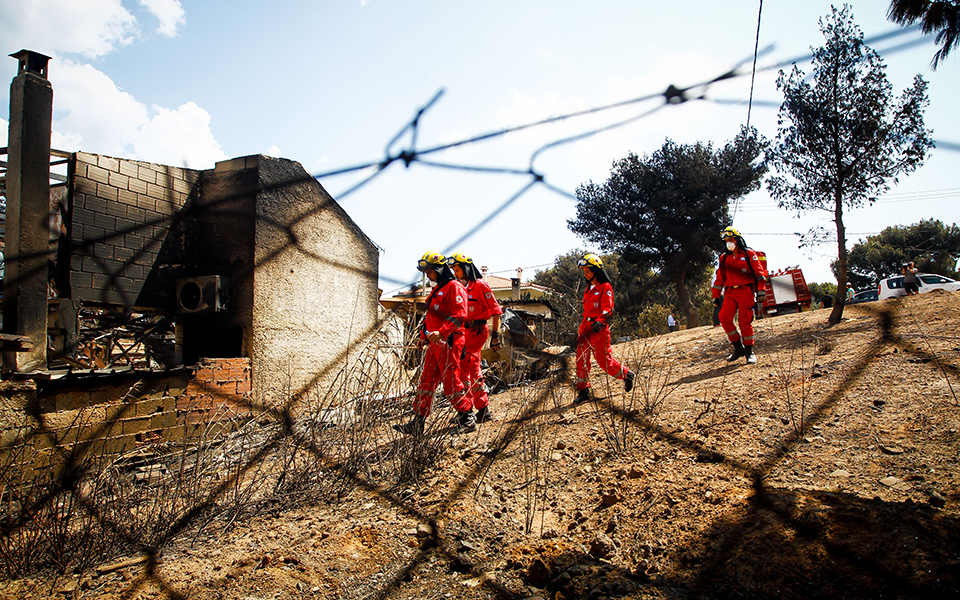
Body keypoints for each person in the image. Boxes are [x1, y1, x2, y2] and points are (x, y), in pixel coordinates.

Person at [393, 251, 475, 436]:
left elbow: (460, 315)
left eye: (429, 271)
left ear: (439, 270)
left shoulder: (454, 287)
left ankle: (467, 417)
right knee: (426, 381)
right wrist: (423, 336)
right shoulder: (437, 290)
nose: (427, 275)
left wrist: (443, 332)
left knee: (450, 381)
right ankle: (418, 422)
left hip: (449, 341)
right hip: (434, 343)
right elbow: (430, 317)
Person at [446, 252, 503, 423]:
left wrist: (495, 336)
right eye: (454, 270)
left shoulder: (480, 285)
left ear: (466, 268)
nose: (456, 273)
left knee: (464, 366)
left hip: (477, 331)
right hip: (463, 332)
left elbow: (496, 311)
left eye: (458, 270)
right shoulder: (458, 287)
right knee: (473, 369)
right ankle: (483, 410)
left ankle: (467, 411)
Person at [574, 253, 634, 404]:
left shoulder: (605, 287)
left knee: (603, 360)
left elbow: (608, 308)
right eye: (584, 272)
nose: (585, 274)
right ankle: (583, 390)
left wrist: (600, 322)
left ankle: (626, 374)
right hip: (585, 327)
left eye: (588, 271)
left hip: (598, 328)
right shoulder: (588, 289)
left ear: (596, 271)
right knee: (581, 359)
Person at [711, 227, 768, 365]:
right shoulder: (724, 258)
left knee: (744, 321)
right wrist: (715, 296)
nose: (728, 243)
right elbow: (719, 278)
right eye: (726, 241)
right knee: (724, 318)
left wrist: (761, 290)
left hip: (746, 291)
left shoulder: (749, 254)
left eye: (731, 240)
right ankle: (738, 348)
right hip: (730, 293)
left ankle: (749, 352)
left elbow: (759, 273)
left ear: (737, 240)